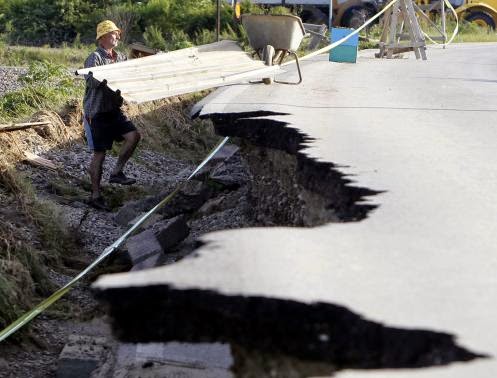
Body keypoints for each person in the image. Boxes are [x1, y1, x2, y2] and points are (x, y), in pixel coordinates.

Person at [83, 20, 141, 210]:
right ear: (102, 38)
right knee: (100, 154)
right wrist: (111, 76)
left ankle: (117, 172)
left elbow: (131, 76)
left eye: (117, 33)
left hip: (113, 111)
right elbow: (92, 81)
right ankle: (95, 195)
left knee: (133, 136)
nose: (117, 36)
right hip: (96, 113)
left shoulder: (121, 58)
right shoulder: (95, 58)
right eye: (113, 34)